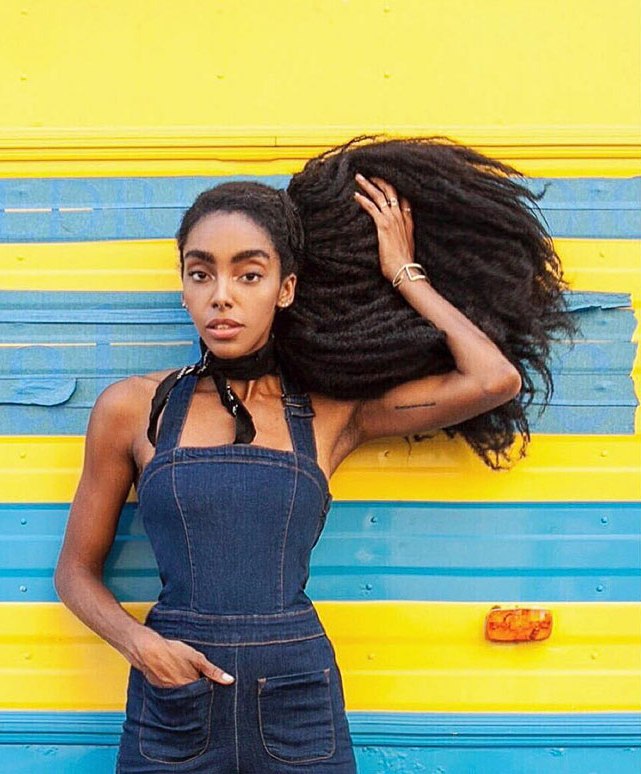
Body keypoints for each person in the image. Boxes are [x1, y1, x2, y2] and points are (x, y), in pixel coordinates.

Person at [54, 135, 574, 772]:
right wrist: (140, 644)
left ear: (285, 288)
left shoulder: (330, 412)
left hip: (297, 701)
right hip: (174, 699)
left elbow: (493, 380)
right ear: (183, 286)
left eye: (249, 273)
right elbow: (74, 573)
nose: (222, 294)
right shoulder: (135, 408)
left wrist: (404, 271)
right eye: (201, 272)